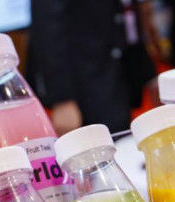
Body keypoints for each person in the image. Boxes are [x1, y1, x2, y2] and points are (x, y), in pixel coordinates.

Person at [26, 0, 158, 136]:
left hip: (116, 73)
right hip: (84, 81)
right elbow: (46, 26)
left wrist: (146, 69)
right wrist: (61, 99)